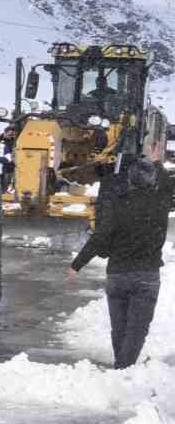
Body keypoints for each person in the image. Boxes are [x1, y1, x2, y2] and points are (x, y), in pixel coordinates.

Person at [67, 157, 169, 369]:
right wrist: (157, 163)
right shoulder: (160, 203)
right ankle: (124, 368)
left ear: (130, 180)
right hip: (147, 276)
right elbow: (168, 183)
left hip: (118, 274)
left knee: (119, 327)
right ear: (152, 180)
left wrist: (77, 264)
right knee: (137, 328)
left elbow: (101, 236)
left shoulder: (119, 203)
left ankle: (121, 366)